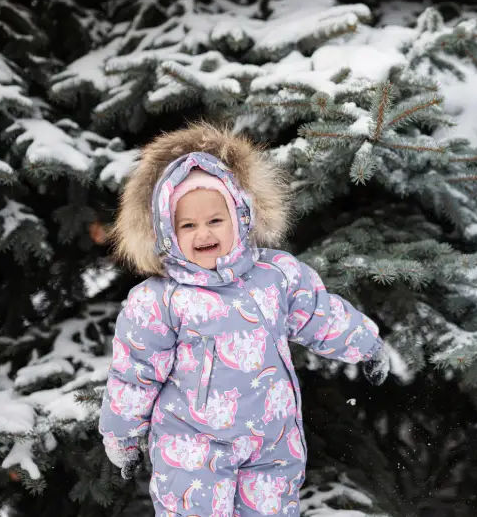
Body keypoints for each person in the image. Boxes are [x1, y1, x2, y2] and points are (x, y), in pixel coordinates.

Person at [98, 123, 389, 516]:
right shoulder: (159, 302)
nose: (204, 233)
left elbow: (319, 312)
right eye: (188, 225)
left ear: (242, 216)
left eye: (215, 220)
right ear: (167, 232)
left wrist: (367, 344)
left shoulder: (276, 276)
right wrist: (123, 437)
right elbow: (135, 373)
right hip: (193, 451)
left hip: (272, 443)